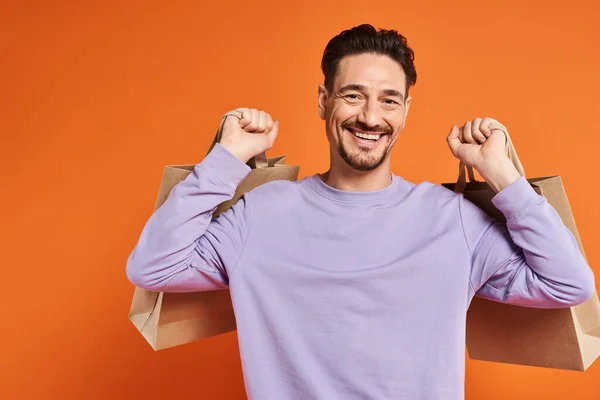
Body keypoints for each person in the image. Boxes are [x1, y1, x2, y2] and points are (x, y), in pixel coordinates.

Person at [126, 24, 595, 400]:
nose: (370, 117)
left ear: (406, 111)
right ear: (322, 101)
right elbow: (152, 267)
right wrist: (226, 160)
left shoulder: (450, 219)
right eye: (352, 95)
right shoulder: (261, 214)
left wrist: (503, 176)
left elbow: (568, 283)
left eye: (388, 99)